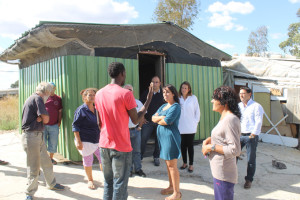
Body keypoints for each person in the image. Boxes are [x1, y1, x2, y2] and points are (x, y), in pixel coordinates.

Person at [95, 62, 153, 200]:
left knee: (108, 183)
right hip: (121, 146)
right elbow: (135, 120)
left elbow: (99, 123)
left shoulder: (99, 93)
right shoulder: (125, 94)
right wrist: (148, 100)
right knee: (120, 184)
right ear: (122, 73)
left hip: (104, 144)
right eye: (125, 73)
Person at [21, 82, 65, 200]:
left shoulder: (32, 97)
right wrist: (42, 118)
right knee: (34, 166)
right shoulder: (38, 99)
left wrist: (41, 118)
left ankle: (51, 183)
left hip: (36, 135)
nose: (50, 95)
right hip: (32, 137)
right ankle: (29, 193)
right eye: (49, 92)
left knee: (46, 162)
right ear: (46, 92)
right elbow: (46, 119)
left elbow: (42, 118)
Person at [202, 86, 241, 200]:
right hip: (219, 172)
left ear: (225, 102)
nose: (212, 101)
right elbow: (224, 137)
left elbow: (235, 150)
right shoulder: (224, 117)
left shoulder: (230, 119)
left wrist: (211, 147)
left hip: (224, 174)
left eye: (215, 98)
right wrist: (211, 138)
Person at [152, 84, 182, 200]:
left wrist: (160, 118)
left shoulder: (175, 107)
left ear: (173, 93)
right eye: (164, 92)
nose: (165, 94)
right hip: (163, 139)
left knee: (172, 166)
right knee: (168, 164)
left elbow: (168, 121)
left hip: (171, 138)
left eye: (168, 92)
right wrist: (161, 118)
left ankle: (177, 193)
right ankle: (171, 187)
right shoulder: (163, 106)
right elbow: (152, 118)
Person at [72, 88, 101, 189]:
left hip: (97, 139)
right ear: (84, 97)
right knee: (88, 161)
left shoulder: (97, 109)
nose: (92, 97)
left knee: (104, 160)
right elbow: (75, 126)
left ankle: (107, 180)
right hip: (85, 140)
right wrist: (78, 142)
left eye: (94, 95)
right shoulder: (81, 110)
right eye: (89, 95)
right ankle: (90, 180)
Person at [239, 86, 264, 189]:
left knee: (251, 159)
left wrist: (253, 134)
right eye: (240, 93)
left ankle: (249, 180)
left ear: (249, 94)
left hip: (251, 135)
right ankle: (231, 176)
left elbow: (258, 121)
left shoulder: (256, 106)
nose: (241, 95)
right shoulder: (239, 106)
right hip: (240, 134)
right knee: (233, 155)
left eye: (243, 93)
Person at [140, 76, 164, 166]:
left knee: (159, 140)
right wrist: (142, 117)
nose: (155, 84)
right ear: (151, 83)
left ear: (160, 83)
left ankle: (156, 157)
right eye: (153, 82)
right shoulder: (146, 93)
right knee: (143, 138)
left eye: (157, 82)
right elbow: (140, 105)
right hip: (148, 122)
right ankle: (140, 157)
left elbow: (167, 107)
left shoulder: (163, 94)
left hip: (159, 122)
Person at [124, 84, 146, 178]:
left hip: (136, 131)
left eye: (130, 90)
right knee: (127, 152)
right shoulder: (120, 103)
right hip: (125, 132)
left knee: (137, 151)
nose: (128, 91)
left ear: (132, 91)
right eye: (126, 90)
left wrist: (140, 127)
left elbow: (142, 115)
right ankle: (129, 170)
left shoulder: (138, 102)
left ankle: (138, 169)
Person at [178, 81, 200, 173]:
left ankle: (191, 164)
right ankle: (184, 163)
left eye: (185, 88)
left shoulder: (193, 98)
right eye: (182, 88)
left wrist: (195, 122)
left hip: (191, 126)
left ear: (189, 89)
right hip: (181, 126)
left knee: (190, 145)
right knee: (182, 146)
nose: (184, 89)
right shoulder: (178, 98)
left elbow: (197, 111)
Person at [43, 82, 63, 165]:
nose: (51, 90)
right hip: (43, 125)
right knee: (42, 143)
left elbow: (60, 111)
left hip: (54, 125)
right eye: (49, 88)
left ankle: (51, 158)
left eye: (52, 88)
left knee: (53, 142)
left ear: (55, 88)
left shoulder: (58, 99)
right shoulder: (43, 98)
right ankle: (43, 159)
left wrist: (59, 122)